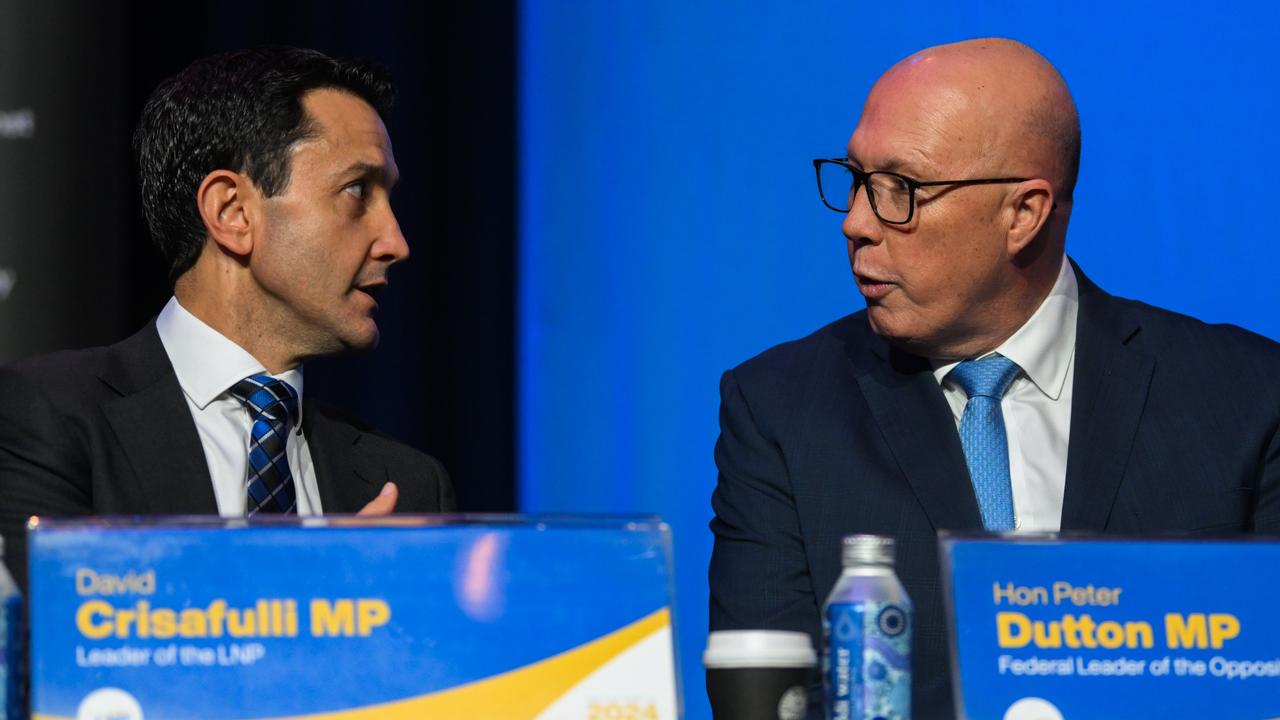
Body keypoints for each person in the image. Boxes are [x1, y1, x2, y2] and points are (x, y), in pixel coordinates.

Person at [708, 38, 1280, 719]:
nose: (857, 222)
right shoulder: (781, 410)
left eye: (902, 188)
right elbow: (767, 702)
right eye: (856, 178)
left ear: (1024, 214)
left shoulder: (1245, 397)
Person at [0, 47, 454, 590]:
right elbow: (63, 646)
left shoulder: (407, 485)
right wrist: (316, 593)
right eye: (357, 191)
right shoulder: (42, 419)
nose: (396, 242)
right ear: (232, 212)